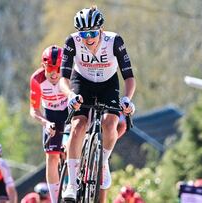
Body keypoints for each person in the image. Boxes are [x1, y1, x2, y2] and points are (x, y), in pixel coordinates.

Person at [59, 5, 136, 202]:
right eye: (83, 33)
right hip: (81, 82)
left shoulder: (114, 41)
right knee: (78, 125)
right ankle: (72, 183)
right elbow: (63, 79)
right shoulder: (72, 42)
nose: (88, 38)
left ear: (100, 30)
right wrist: (70, 96)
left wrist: (127, 99)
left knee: (110, 123)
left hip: (107, 84)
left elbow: (128, 76)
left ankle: (103, 162)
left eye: (92, 33)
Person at [29, 45, 68, 203]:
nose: (54, 73)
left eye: (58, 68)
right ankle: (55, 199)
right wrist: (45, 123)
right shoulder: (37, 80)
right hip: (51, 116)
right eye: (50, 68)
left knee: (73, 144)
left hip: (69, 113)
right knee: (52, 157)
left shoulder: (69, 75)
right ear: (43, 66)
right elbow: (34, 110)